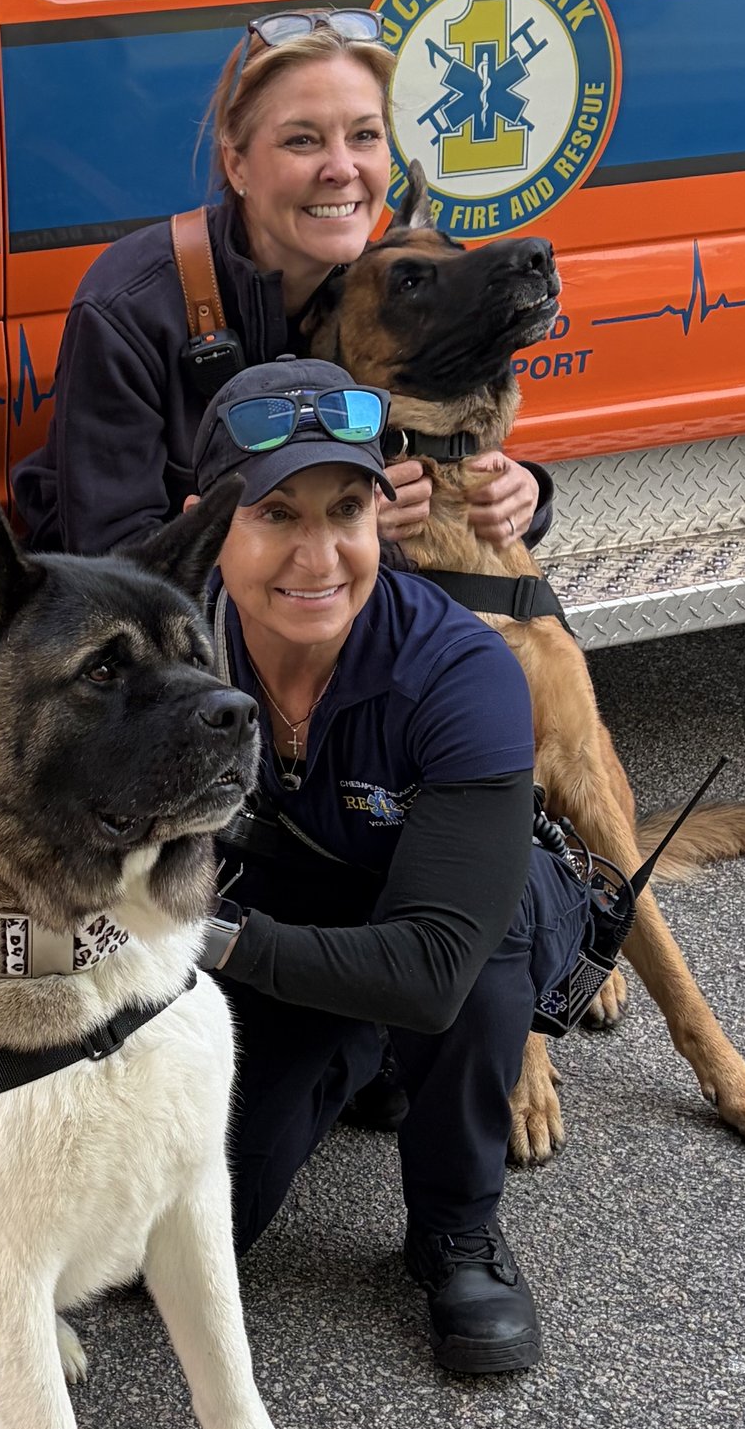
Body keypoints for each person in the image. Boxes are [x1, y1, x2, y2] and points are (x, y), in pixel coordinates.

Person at [188, 358, 589, 1377]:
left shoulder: (461, 669)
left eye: (346, 511)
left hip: (449, 928)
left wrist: (203, 938)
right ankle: (360, 1055)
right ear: (205, 526)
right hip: (289, 916)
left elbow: (432, 966)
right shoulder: (160, 653)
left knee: (475, 969)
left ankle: (456, 1227)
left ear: (382, 518)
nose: (318, 555)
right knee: (201, 1234)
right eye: (276, 514)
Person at [10, 11, 549, 560]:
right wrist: (348, 525)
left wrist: (521, 492)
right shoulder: (131, 309)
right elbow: (112, 561)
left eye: (364, 135)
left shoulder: (379, 291)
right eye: (302, 140)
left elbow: (450, 443)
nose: (342, 168)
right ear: (237, 165)